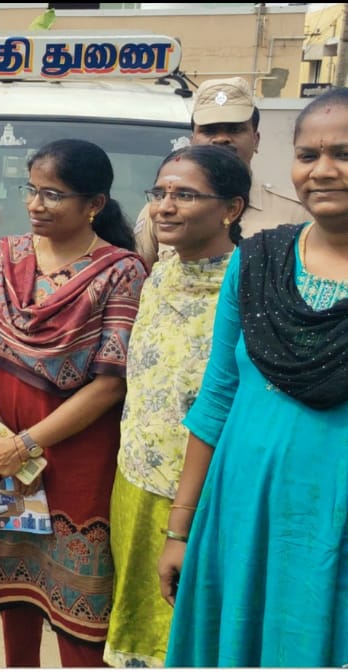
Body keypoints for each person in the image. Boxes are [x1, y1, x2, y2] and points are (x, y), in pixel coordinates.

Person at [158, 87, 348, 668]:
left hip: (333, 518)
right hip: (243, 506)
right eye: (308, 155)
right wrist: (181, 529)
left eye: (343, 154)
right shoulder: (259, 258)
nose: (322, 171)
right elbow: (218, 395)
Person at [0, 139, 147, 667]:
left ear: (94, 204)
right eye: (31, 189)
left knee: (78, 614)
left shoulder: (121, 271)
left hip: (75, 458)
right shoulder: (7, 255)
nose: (35, 204)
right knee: (15, 592)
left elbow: (110, 383)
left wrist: (26, 444)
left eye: (53, 194)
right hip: (3, 455)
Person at [103, 145, 249, 667]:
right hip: (135, 481)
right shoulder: (160, 274)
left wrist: (184, 519)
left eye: (185, 195)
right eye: (160, 192)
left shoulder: (249, 289)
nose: (165, 206)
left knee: (191, 637)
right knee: (135, 632)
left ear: (230, 209)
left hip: (204, 497)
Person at [134, 76, 307, 269]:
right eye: (209, 131)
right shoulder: (160, 212)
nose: (221, 139)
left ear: (256, 140)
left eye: (234, 129)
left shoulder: (295, 214)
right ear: (192, 141)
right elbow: (141, 277)